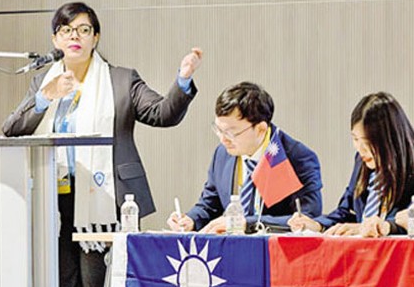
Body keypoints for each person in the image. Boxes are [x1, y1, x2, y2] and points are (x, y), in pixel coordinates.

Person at [2, 1, 202, 287]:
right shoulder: (46, 81)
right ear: (55, 39)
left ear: (96, 37)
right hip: (54, 207)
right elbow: (11, 128)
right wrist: (43, 100)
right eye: (66, 30)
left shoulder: (120, 80)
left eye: (84, 29)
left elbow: (161, 113)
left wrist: (181, 83)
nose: (75, 36)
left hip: (107, 203)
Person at [167, 82, 323, 233]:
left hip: (273, 253)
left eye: (231, 132)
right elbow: (210, 205)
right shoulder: (222, 154)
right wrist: (191, 219)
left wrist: (246, 223)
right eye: (219, 130)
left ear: (261, 129)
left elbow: (307, 219)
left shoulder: (297, 158)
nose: (223, 139)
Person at [288, 92, 414, 236]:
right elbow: (346, 211)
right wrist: (318, 224)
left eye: (367, 141)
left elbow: (409, 221)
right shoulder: (362, 161)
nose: (360, 149)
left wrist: (386, 226)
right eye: (355, 139)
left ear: (389, 139)